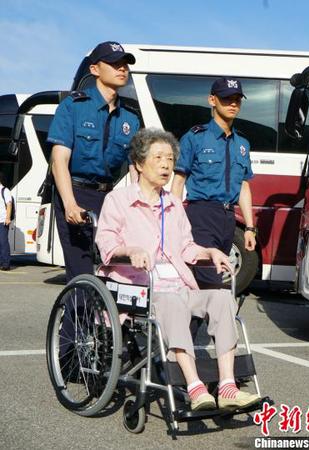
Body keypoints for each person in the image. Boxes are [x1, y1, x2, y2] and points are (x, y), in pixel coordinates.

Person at [95, 128, 260, 411]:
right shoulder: (118, 200)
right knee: (170, 301)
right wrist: (130, 251)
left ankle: (228, 386)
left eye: (170, 159)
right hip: (139, 288)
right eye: (158, 157)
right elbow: (106, 244)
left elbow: (186, 248)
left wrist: (209, 252)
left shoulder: (173, 203)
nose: (166, 165)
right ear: (138, 163)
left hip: (180, 285)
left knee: (221, 298)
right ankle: (195, 385)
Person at [47, 41, 140, 282]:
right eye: (114, 64)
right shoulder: (73, 106)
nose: (122, 69)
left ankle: (104, 318)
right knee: (82, 271)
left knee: (115, 269)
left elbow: (135, 170)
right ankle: (76, 319)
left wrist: (138, 206)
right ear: (95, 70)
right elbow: (59, 159)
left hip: (108, 198)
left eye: (125, 65)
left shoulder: (130, 117)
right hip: (75, 193)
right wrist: (69, 203)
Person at [171, 77, 257, 288]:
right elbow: (178, 181)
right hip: (201, 215)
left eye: (237, 99)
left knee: (211, 280)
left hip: (228, 219)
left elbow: (244, 186)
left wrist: (250, 227)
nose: (233, 104)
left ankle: (196, 320)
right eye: (227, 99)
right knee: (210, 281)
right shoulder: (195, 137)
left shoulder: (242, 143)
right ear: (212, 100)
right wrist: (173, 221)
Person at [0, 172, 12, 271]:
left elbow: (9, 205)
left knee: (3, 242)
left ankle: (6, 264)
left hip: (2, 221)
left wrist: (7, 218)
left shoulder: (5, 190)